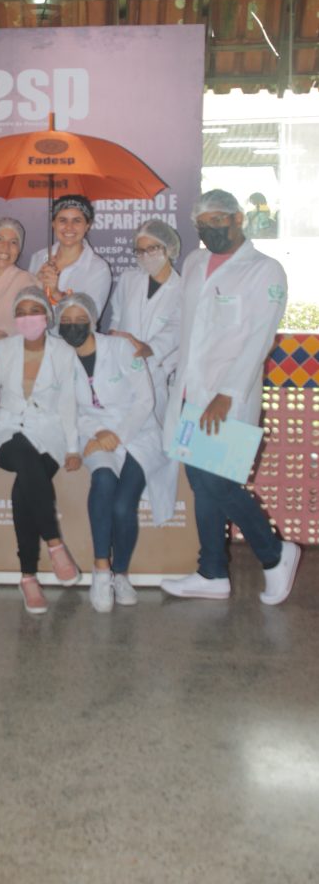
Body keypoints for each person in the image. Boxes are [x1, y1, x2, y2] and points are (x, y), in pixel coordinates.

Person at [161, 189, 300, 605]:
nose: (211, 230)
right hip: (189, 393)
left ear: (238, 218)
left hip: (227, 397)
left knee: (215, 481)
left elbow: (260, 339)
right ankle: (212, 573)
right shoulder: (194, 262)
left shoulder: (265, 270)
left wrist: (226, 393)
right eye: (202, 224)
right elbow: (187, 324)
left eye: (219, 220)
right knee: (200, 483)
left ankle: (275, 554)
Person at [58, 292, 175, 613]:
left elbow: (145, 399)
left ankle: (120, 573)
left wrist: (119, 435)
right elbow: (67, 407)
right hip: (94, 433)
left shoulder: (120, 348)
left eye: (80, 319)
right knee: (104, 480)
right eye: (66, 320)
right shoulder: (61, 358)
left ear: (93, 319)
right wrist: (95, 435)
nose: (73, 325)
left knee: (124, 506)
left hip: (138, 431)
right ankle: (101, 570)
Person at [0, 286, 86, 615]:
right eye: (20, 313)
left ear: (47, 316)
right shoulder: (3, 349)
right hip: (6, 431)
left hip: (49, 433)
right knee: (24, 456)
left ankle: (28, 578)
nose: (27, 318)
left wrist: (72, 447)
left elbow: (68, 402)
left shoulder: (63, 352)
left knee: (25, 486)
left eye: (33, 311)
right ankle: (55, 543)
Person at [109, 218, 181, 426]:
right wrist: (112, 341)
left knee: (152, 434)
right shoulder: (129, 279)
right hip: (120, 371)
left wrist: (152, 350)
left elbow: (178, 330)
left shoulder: (182, 289)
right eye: (140, 250)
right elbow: (117, 315)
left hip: (157, 375)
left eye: (153, 248)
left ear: (169, 248)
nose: (146, 255)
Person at [29, 194, 111, 319]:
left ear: (87, 226)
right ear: (53, 224)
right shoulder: (38, 258)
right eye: (62, 220)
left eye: (77, 221)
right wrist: (36, 284)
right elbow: (25, 308)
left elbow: (90, 317)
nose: (69, 227)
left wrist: (56, 294)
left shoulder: (98, 268)